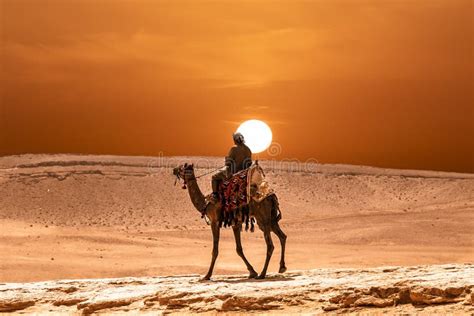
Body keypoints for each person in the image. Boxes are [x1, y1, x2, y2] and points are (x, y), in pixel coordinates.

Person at [211, 132, 252, 200]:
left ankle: (215, 195)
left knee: (214, 177)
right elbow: (249, 162)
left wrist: (227, 159)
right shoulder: (248, 149)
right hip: (244, 173)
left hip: (234, 172)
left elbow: (228, 163)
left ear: (235, 140)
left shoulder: (234, 148)